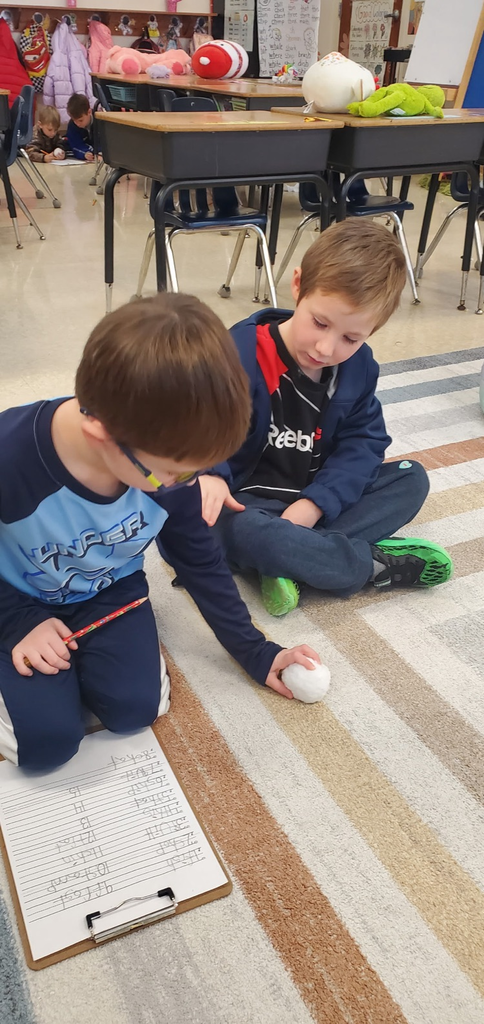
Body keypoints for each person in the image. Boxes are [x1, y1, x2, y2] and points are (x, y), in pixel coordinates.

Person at [0, 294, 318, 771]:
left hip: (112, 593)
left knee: (136, 711)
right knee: (44, 746)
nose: (180, 486)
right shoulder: (10, 459)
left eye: (194, 472)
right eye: (172, 473)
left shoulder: (168, 462)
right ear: (102, 434)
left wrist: (256, 652)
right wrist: (17, 622)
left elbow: (199, 558)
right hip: (17, 599)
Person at [200, 220, 453, 616]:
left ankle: (293, 561)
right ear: (298, 285)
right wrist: (211, 474)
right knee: (238, 530)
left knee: (411, 478)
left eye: (351, 339)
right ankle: (366, 564)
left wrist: (315, 506)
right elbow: (197, 424)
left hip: (311, 498)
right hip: (244, 505)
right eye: (320, 322)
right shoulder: (238, 354)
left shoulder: (359, 368)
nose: (325, 347)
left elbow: (364, 444)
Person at [66, 92, 94, 162]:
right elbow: (75, 145)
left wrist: (100, 154)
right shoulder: (72, 125)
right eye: (74, 120)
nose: (77, 124)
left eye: (80, 120)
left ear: (89, 112)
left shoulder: (100, 121)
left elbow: (105, 143)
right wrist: (85, 153)